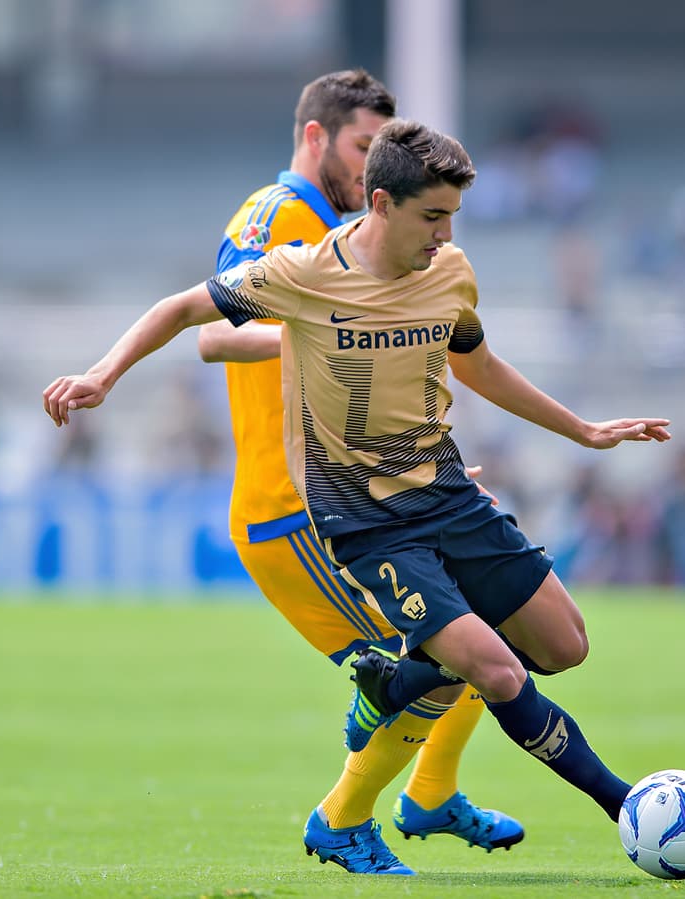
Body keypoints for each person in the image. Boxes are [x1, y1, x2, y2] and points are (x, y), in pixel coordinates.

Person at [42, 118, 672, 862]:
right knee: (494, 669)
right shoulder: (304, 272)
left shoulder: (450, 271)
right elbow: (184, 312)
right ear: (381, 203)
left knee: (566, 646)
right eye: (431, 216)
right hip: (369, 523)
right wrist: (102, 375)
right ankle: (628, 807)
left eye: (452, 216)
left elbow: (478, 364)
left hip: (447, 493)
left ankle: (398, 683)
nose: (445, 234)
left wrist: (583, 431)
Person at [193, 69, 520, 875]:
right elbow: (214, 335)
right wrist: (323, 329)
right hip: (296, 508)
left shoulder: (341, 230)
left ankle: (432, 792)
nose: (373, 162)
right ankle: (343, 819)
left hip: (357, 492)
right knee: (442, 661)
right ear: (317, 138)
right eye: (362, 145)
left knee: (483, 632)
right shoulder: (282, 218)